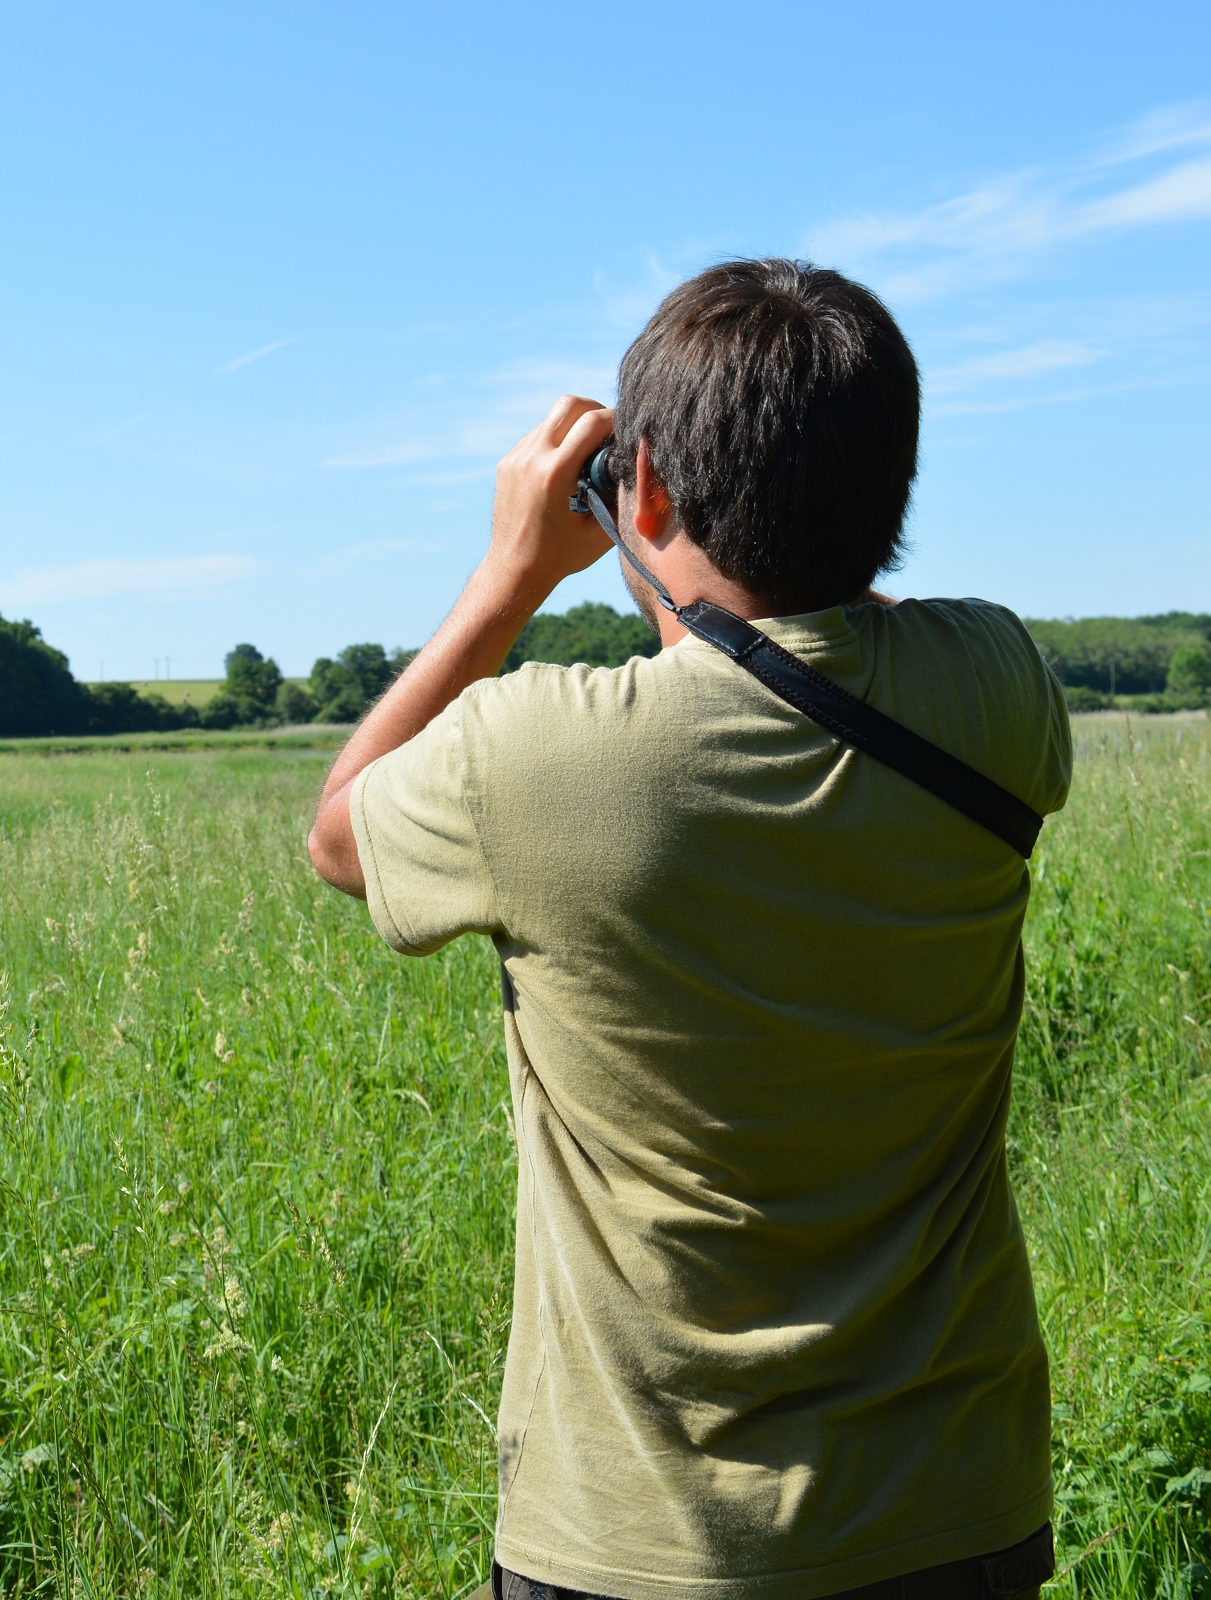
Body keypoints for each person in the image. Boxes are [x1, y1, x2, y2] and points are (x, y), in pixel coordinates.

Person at [306, 259, 1069, 1600]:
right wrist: (757, 532)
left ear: (642, 489)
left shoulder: (539, 756)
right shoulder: (1000, 687)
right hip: (959, 1508)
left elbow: (337, 831)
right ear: (893, 495)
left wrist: (512, 573)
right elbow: (831, 632)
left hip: (643, 1539)